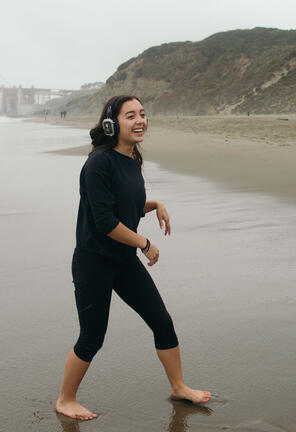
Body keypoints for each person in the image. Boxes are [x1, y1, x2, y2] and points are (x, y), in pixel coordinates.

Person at [56, 95, 211, 421]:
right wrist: (144, 243)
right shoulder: (99, 163)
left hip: (122, 260)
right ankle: (66, 399)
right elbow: (105, 221)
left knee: (161, 321)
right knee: (92, 337)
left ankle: (179, 387)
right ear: (112, 124)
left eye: (142, 114)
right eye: (130, 116)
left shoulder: (131, 160)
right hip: (94, 261)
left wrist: (153, 205)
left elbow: (124, 207)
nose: (140, 120)